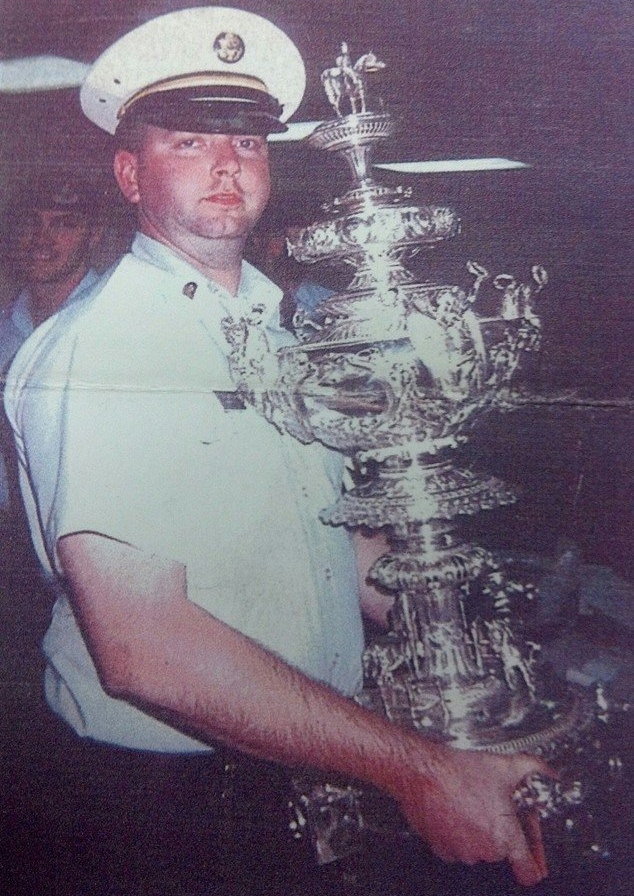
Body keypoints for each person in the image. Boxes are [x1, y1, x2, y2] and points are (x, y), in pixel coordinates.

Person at [4, 8, 553, 896]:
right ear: (129, 174)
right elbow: (145, 648)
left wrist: (454, 633)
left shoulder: (275, 326)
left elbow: (325, 526)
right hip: (169, 810)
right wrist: (418, 768)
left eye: (249, 144)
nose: (227, 164)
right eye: (189, 141)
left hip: (304, 757)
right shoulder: (108, 349)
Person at [0, 178, 104, 522]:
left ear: (94, 236)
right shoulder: (5, 333)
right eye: (31, 223)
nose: (41, 240)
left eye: (63, 224)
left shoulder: (111, 326)